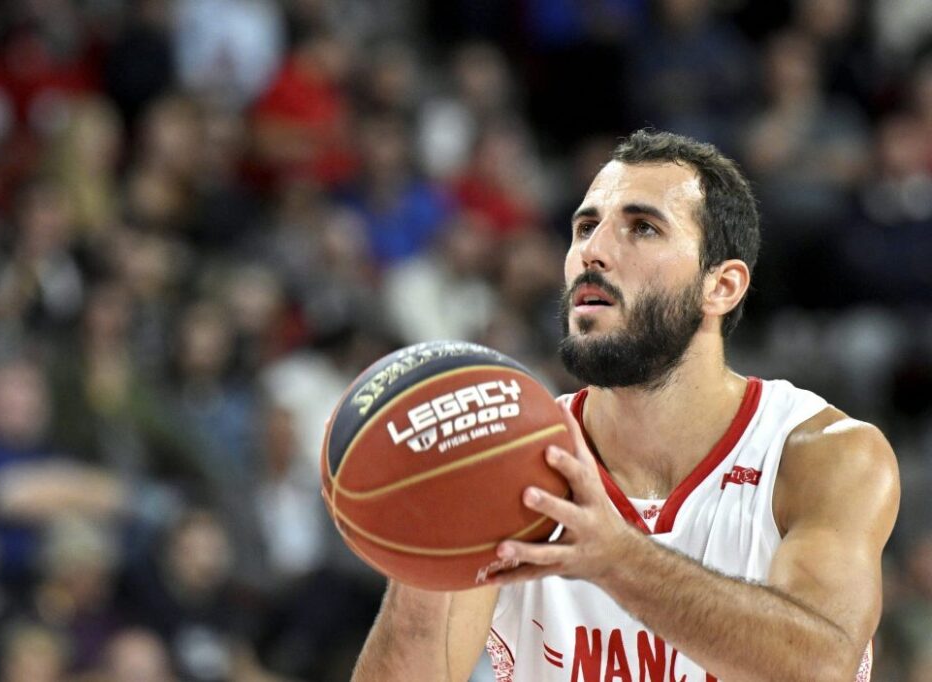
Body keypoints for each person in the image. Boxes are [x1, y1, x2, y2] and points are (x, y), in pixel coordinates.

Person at [349, 129, 900, 681]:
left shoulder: (821, 455)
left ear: (721, 286)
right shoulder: (510, 465)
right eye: (585, 228)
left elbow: (822, 667)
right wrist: (424, 542)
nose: (594, 251)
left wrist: (617, 558)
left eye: (642, 228)